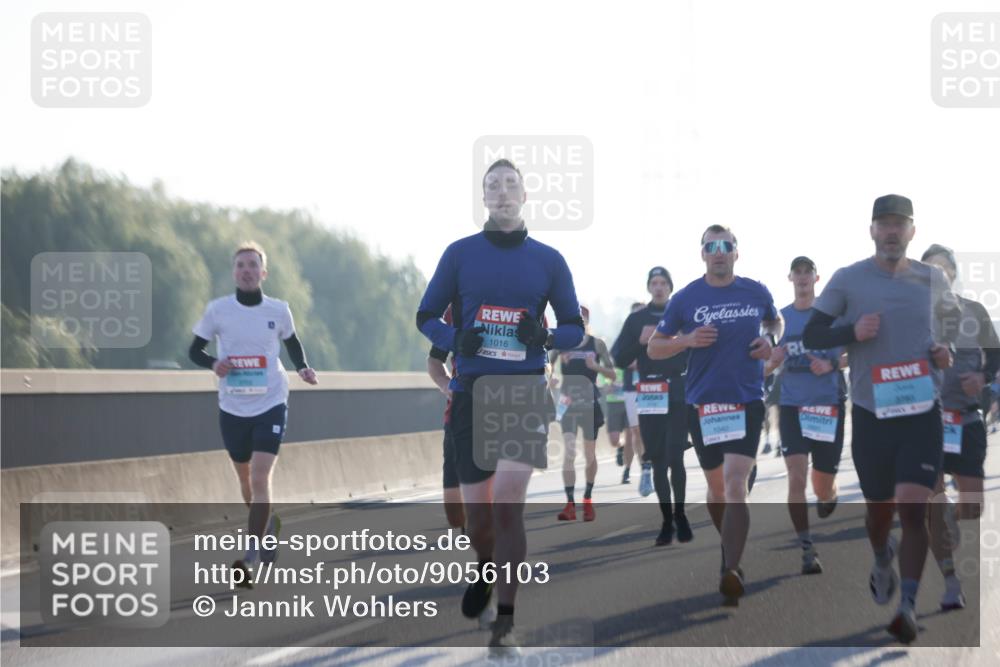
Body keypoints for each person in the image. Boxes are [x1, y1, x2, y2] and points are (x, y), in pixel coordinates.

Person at [415, 158, 584, 656]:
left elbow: (574, 325)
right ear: (484, 198)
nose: (503, 193)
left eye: (511, 185)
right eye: (494, 186)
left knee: (509, 507)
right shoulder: (460, 254)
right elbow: (425, 314)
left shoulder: (549, 260)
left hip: (523, 393)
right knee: (479, 520)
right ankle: (486, 567)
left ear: (525, 196)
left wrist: (548, 335)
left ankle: (505, 621)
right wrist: (454, 336)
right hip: (471, 394)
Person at [803, 194, 958, 643]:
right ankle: (879, 555)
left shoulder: (933, 280)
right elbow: (813, 333)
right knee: (880, 513)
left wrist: (944, 352)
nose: (892, 232)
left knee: (914, 508)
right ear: (872, 230)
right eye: (884, 224)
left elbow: (950, 329)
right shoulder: (849, 280)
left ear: (912, 231)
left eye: (900, 224)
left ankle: (907, 606)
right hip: (872, 414)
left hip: (921, 412)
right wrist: (852, 332)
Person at [649, 225, 781, 605]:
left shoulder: (755, 291)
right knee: (718, 490)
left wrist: (769, 341)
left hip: (746, 400)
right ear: (703, 253)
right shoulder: (687, 297)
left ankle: (731, 567)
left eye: (726, 246)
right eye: (712, 246)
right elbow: (656, 348)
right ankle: (730, 547)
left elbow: (775, 322)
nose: (719, 252)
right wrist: (687, 341)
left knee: (737, 483)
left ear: (736, 252)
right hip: (703, 404)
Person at [189, 242, 318, 585]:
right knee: (245, 481)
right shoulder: (218, 310)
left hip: (271, 401)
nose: (246, 271)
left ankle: (249, 557)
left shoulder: (278, 310)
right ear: (234, 272)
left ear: (264, 273)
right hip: (232, 405)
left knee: (260, 477)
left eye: (253, 265)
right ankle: (267, 525)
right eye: (240, 265)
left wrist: (303, 367)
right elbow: (194, 350)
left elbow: (291, 342)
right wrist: (214, 363)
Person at [921, 244, 1000, 612]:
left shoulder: (974, 311)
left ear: (953, 272)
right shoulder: (913, 314)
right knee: (935, 504)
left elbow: (997, 355)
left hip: (966, 417)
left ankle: (951, 516)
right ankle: (951, 582)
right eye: (931, 268)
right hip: (925, 421)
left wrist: (983, 377)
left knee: (972, 507)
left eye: (944, 268)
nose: (939, 274)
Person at [764, 256, 847, 576]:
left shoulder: (830, 317)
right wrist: (774, 359)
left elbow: (852, 354)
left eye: (807, 272)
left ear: (816, 278)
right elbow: (766, 365)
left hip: (827, 407)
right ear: (790, 278)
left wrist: (831, 365)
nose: (801, 277)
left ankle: (829, 494)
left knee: (822, 485)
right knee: (796, 477)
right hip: (792, 408)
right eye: (796, 273)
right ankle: (806, 547)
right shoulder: (780, 320)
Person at [613, 267, 694, 545]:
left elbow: (700, 349)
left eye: (663, 283)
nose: (659, 287)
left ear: (670, 287)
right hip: (649, 391)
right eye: (654, 283)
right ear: (649, 288)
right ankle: (666, 521)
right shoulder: (637, 319)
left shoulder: (683, 314)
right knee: (657, 459)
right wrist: (640, 342)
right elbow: (618, 358)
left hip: (678, 390)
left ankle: (681, 514)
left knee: (675, 457)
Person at [549, 306, 616, 521]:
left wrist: (595, 367)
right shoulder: (561, 344)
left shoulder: (596, 344)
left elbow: (612, 374)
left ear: (587, 320)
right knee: (568, 452)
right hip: (567, 402)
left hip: (589, 404)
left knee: (589, 455)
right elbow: (547, 366)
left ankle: (587, 499)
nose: (578, 322)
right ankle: (570, 504)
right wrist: (551, 380)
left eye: (581, 319)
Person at [618, 302, 648, 484]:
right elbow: (620, 359)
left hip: (651, 389)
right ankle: (629, 470)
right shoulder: (627, 338)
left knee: (646, 432)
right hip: (630, 389)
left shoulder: (652, 333)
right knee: (632, 433)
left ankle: (647, 467)